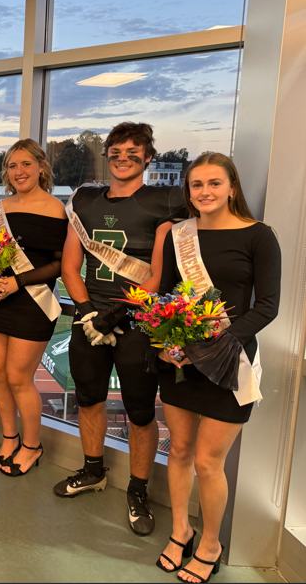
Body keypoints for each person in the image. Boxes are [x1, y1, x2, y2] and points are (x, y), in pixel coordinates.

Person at [154, 153, 280, 582]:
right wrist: (169, 342)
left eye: (214, 183)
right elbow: (169, 292)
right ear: (188, 191)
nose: (204, 192)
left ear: (232, 187)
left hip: (232, 359)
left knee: (208, 462)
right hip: (181, 362)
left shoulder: (259, 237)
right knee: (180, 450)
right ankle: (179, 530)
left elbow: (267, 306)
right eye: (196, 185)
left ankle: (210, 543)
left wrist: (212, 342)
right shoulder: (178, 235)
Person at [57, 122, 185, 536]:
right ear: (107, 155)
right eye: (116, 150)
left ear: (148, 157)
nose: (124, 157)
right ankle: (94, 470)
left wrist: (119, 313)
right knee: (89, 397)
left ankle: (138, 489)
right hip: (90, 318)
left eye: (134, 151)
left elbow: (162, 273)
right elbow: (70, 265)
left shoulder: (165, 200)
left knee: (140, 410)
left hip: (137, 321)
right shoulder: (86, 199)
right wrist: (87, 311)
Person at [0, 140, 68, 476]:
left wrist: (18, 282)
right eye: (13, 166)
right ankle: (9, 438)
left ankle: (32, 446)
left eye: (26, 164)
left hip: (32, 303)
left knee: (19, 377)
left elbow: (60, 264)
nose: (19, 172)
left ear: (41, 167)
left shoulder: (57, 209)